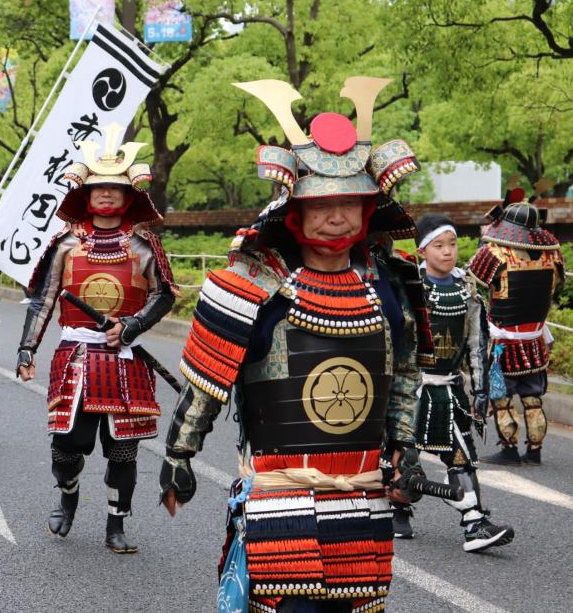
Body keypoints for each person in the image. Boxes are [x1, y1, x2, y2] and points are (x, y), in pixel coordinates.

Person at [160, 78, 434, 611]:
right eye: (322, 205)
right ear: (295, 214)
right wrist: (180, 454)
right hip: (280, 495)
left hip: (362, 496)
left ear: (368, 210)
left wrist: (404, 447)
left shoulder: (391, 284)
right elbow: (207, 385)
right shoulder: (254, 287)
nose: (338, 216)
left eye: (351, 203)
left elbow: (402, 374)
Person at [18, 125, 177, 553]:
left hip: (124, 358)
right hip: (75, 355)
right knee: (68, 445)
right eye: (98, 189)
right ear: (85, 197)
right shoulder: (67, 243)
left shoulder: (144, 246)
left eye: (115, 189)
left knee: (124, 451)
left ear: (129, 198)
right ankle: (68, 494)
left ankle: (116, 524)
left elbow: (165, 296)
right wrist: (27, 347)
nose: (106, 195)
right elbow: (42, 299)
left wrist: (132, 326)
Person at [391, 214, 513, 551]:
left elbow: (477, 343)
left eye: (453, 244)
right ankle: (398, 509)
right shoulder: (410, 287)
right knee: (404, 454)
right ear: (422, 251)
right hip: (412, 387)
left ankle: (474, 523)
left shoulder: (468, 288)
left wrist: (481, 390)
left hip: (449, 387)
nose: (448, 252)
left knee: (462, 457)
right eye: (439, 245)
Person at [470, 186, 565, 465]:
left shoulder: (494, 255)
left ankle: (509, 450)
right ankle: (535, 451)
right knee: (533, 398)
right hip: (535, 341)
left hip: (504, 342)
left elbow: (473, 277)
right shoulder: (553, 257)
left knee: (502, 399)